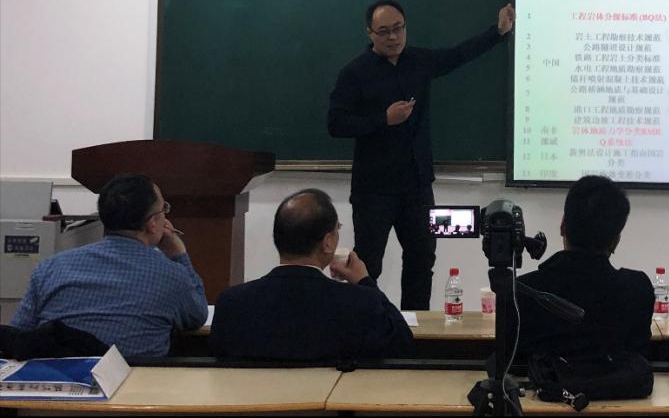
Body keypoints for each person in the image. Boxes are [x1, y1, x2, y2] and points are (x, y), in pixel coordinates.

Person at [328, 0, 515, 309]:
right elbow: (335, 123)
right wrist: (383, 119)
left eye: (398, 28)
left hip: (417, 185)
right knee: (368, 263)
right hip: (374, 189)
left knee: (422, 259)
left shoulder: (419, 61)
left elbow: (458, 55)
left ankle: (415, 328)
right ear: (370, 33)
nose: (393, 36)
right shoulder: (354, 73)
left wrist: (497, 32)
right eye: (384, 31)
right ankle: (365, 322)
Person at [10, 174, 207, 357]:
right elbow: (196, 316)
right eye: (163, 209)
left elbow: (18, 333)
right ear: (153, 224)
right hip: (133, 380)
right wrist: (178, 255)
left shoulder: (51, 267)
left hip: (54, 378)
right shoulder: (171, 275)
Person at [209, 188, 412, 361]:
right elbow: (404, 347)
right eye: (337, 229)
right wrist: (365, 281)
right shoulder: (361, 303)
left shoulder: (232, 304)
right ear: (328, 242)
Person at [516, 176, 654, 360]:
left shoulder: (523, 290)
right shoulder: (638, 289)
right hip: (614, 380)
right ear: (615, 241)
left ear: (563, 226)